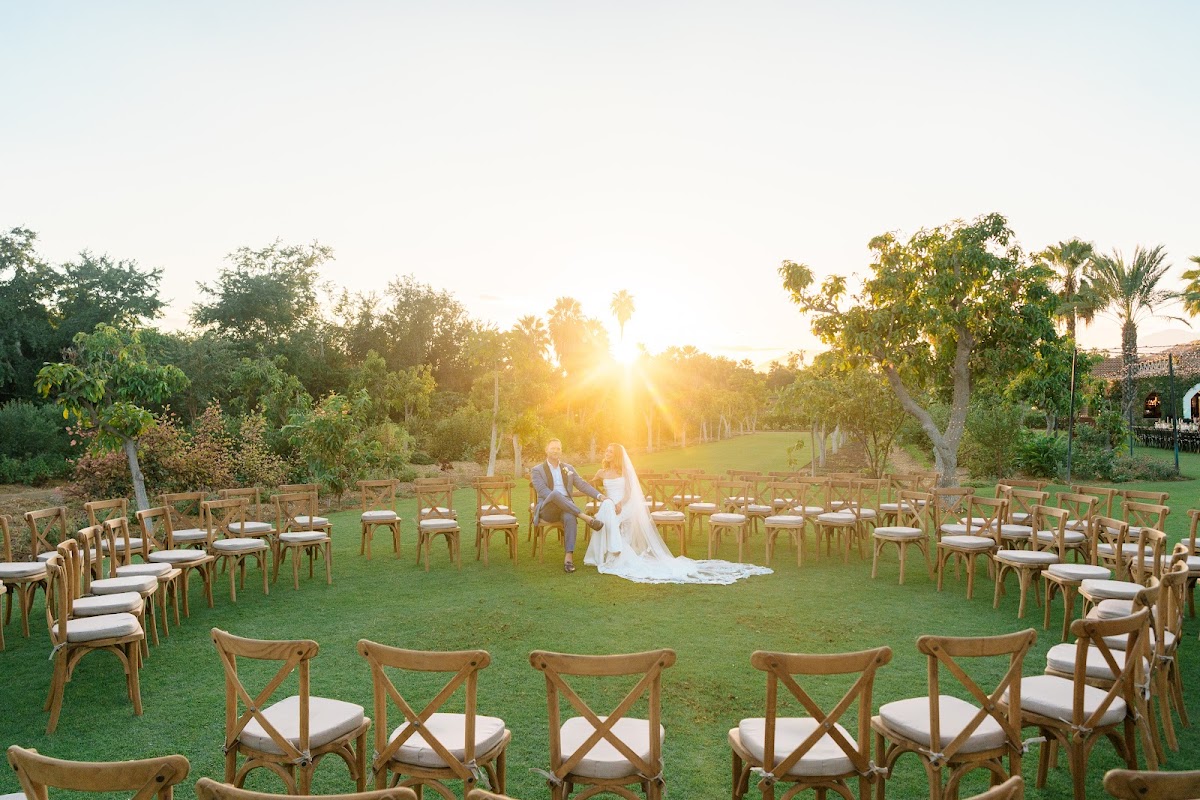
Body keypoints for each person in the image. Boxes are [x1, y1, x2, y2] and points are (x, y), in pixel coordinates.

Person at [582, 443, 773, 584]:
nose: (606, 454)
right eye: (605, 451)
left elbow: (630, 492)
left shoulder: (623, 471)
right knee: (604, 518)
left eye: (610, 452)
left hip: (625, 504)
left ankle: (615, 553)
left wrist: (620, 503)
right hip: (610, 505)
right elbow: (588, 486)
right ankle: (609, 552)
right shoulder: (601, 472)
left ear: (616, 456)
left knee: (609, 519)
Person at [530, 438, 605, 573]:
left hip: (567, 508)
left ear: (561, 451)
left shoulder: (568, 468)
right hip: (548, 508)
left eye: (558, 448)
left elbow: (582, 484)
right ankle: (586, 518)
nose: (556, 451)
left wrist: (600, 496)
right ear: (546, 450)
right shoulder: (537, 470)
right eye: (553, 448)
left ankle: (568, 558)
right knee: (555, 494)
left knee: (570, 517)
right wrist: (560, 497)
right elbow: (543, 491)